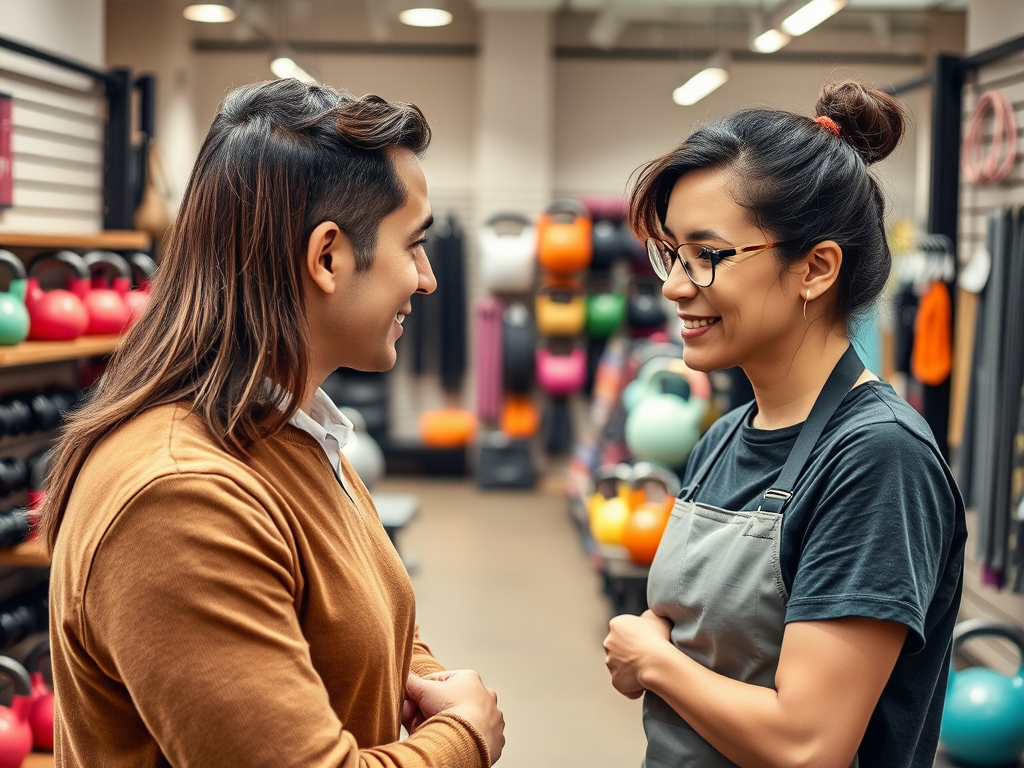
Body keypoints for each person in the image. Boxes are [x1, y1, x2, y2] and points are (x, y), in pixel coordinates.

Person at [40, 79, 504, 768]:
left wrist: (425, 678)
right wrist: (463, 736)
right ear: (327, 257)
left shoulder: (293, 431)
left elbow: (354, 612)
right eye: (413, 246)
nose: (428, 278)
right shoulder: (177, 498)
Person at [603, 80, 967, 768]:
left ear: (815, 269)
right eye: (673, 254)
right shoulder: (723, 437)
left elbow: (809, 744)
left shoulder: (877, 459)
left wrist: (654, 662)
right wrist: (657, 654)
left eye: (707, 254)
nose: (675, 285)